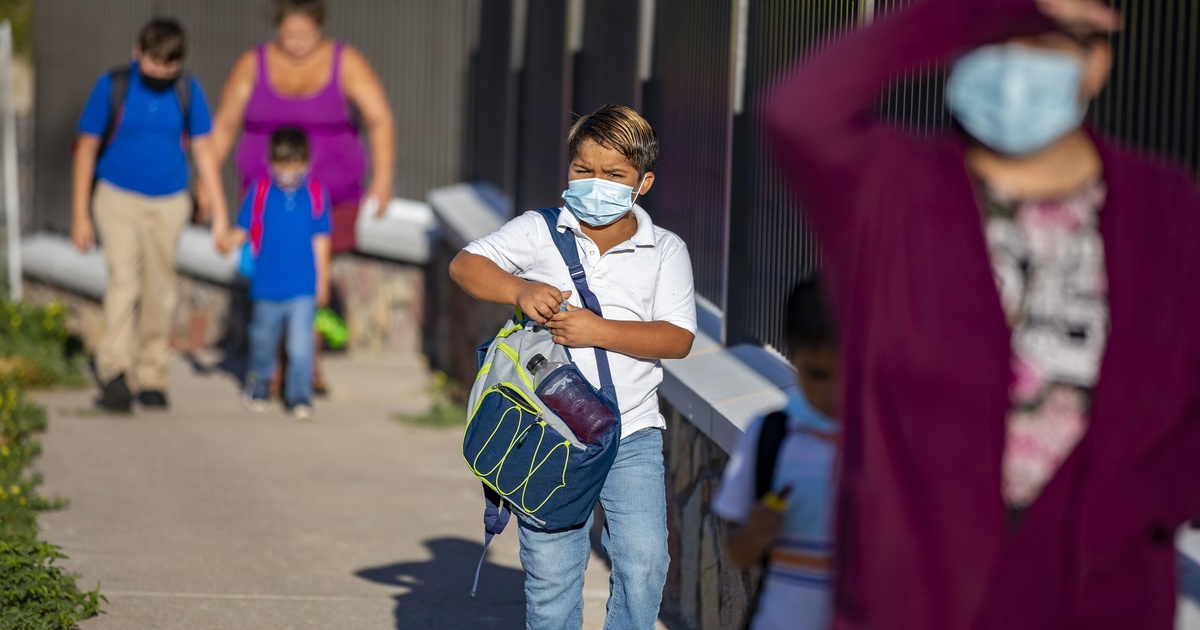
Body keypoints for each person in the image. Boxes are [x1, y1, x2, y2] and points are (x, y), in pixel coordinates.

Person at [766, 0, 1200, 627]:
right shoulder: (894, 193)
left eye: (1039, 43)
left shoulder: (1165, 207)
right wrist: (968, 11)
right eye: (994, 40)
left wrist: (1153, 500)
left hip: (1104, 598)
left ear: (1094, 61)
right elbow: (798, 112)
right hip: (916, 604)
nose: (1015, 67)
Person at [449, 104, 697, 630]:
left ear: (643, 182)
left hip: (631, 432)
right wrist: (518, 288)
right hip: (548, 434)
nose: (595, 183)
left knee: (645, 564)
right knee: (553, 576)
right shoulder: (540, 232)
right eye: (583, 170)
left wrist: (596, 330)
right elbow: (465, 264)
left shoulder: (665, 250)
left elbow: (677, 338)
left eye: (614, 175)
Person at [208, 0, 395, 394]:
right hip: (266, 196)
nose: (296, 43)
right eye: (289, 34)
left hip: (331, 198)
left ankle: (305, 364)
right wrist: (203, 185)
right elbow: (224, 124)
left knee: (312, 276)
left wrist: (382, 180)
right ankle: (277, 363)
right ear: (276, 29)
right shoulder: (252, 63)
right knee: (274, 270)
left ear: (320, 29)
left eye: (306, 35)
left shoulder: (346, 62)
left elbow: (379, 119)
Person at [70, 18, 229, 413]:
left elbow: (205, 153)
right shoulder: (113, 85)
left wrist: (221, 214)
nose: (160, 71)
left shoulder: (187, 91)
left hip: (170, 201)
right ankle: (115, 374)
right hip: (117, 196)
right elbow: (86, 150)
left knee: (161, 288)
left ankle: (153, 374)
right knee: (124, 282)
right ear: (137, 53)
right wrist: (79, 215)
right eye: (154, 62)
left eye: (169, 64)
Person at [714, 278, 839, 630]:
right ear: (792, 356)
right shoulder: (771, 436)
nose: (835, 392)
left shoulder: (889, 447)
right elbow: (736, 547)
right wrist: (754, 533)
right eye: (819, 375)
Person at [224, 128, 331, 420]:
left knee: (300, 346)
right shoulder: (259, 193)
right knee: (262, 342)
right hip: (266, 286)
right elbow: (242, 230)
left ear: (307, 162)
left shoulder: (315, 194)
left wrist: (322, 280)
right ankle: (258, 386)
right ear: (270, 161)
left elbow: (321, 240)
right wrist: (227, 239)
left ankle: (299, 396)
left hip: (303, 287)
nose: (288, 171)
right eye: (282, 164)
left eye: (294, 164)